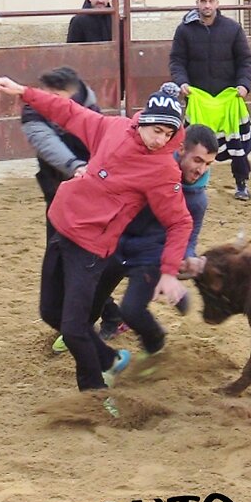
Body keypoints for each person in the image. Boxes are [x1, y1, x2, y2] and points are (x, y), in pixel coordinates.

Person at [0, 76, 192, 409]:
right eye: (157, 130)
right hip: (60, 226)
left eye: (169, 134)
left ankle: (95, 396)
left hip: (92, 249)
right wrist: (24, 92)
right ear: (144, 120)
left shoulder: (163, 171)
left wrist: (169, 272)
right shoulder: (112, 128)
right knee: (50, 312)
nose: (161, 140)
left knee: (73, 328)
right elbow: (67, 111)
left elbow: (180, 220)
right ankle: (111, 360)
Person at [90, 124, 218, 358]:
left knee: (132, 310)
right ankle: (80, 333)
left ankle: (155, 345)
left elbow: (190, 236)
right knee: (89, 296)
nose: (201, 170)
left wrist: (187, 257)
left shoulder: (197, 200)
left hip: (153, 256)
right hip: (120, 243)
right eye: (198, 160)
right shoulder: (152, 165)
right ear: (180, 150)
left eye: (208, 164)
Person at [19, 66, 126, 346]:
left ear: (73, 93)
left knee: (79, 262)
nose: (53, 101)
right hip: (59, 196)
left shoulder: (87, 109)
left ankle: (98, 319)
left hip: (86, 197)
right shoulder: (35, 110)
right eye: (49, 95)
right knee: (69, 262)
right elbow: (45, 142)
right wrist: (76, 166)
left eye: (59, 96)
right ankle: (102, 317)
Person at [169, 0, 251, 201]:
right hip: (198, 97)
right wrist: (182, 83)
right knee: (190, 144)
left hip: (228, 97)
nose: (207, 5)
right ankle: (185, 183)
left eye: (210, 1)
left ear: (217, 3)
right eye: (203, 1)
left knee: (237, 144)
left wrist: (244, 85)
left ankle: (241, 183)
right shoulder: (184, 30)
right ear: (197, 3)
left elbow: (245, 60)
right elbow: (177, 61)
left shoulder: (232, 28)